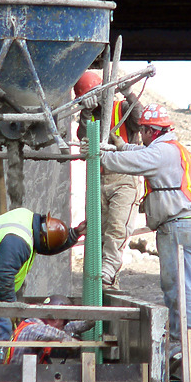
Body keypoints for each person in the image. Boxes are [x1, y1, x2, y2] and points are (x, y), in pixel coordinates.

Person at [98, 104, 191, 348]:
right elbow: (139, 152)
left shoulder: (162, 153)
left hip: (177, 226)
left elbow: (134, 162)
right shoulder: (171, 148)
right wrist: (122, 146)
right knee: (180, 281)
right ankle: (187, 337)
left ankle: (190, 338)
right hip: (185, 224)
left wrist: (100, 154)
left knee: (179, 283)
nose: (141, 135)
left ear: (151, 131)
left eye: (143, 131)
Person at [0, 209, 87, 363]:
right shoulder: (19, 241)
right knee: (0, 325)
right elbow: (1, 276)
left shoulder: (27, 221)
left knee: (2, 323)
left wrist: (73, 235)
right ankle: (0, 377)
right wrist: (11, 308)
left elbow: (46, 246)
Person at [74, 69, 143, 289]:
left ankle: (108, 272)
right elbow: (83, 137)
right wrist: (85, 113)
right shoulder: (90, 116)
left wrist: (130, 94)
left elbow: (139, 118)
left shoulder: (121, 109)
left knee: (116, 227)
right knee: (97, 232)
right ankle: (102, 281)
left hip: (124, 178)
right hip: (99, 178)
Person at [3, 294, 91, 365]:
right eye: (64, 322)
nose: (64, 326)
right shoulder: (32, 328)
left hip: (22, 375)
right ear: (56, 319)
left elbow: (68, 328)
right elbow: (53, 333)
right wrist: (71, 342)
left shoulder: (33, 323)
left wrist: (89, 322)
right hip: (16, 378)